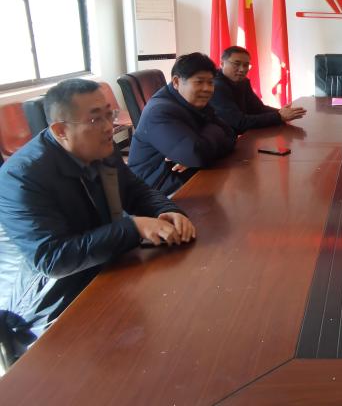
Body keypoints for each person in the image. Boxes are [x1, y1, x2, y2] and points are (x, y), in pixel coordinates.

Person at [0, 79, 195, 362]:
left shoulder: (98, 146)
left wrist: (167, 211)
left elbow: (135, 190)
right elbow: (52, 260)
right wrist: (134, 227)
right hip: (48, 304)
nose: (108, 127)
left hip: (103, 268)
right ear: (60, 130)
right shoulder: (22, 177)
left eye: (109, 114)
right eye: (95, 119)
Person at [128, 52, 236, 194]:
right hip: (155, 190)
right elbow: (195, 155)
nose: (207, 89)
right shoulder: (159, 111)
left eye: (210, 82)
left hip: (185, 178)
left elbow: (231, 136)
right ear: (176, 82)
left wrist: (201, 150)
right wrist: (208, 139)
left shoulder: (194, 103)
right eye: (199, 82)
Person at [210, 46, 306, 134]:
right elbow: (239, 122)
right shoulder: (217, 87)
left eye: (246, 65)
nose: (242, 69)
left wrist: (282, 112)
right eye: (237, 64)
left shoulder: (243, 82)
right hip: (222, 141)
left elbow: (258, 109)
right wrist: (279, 116)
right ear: (222, 64)